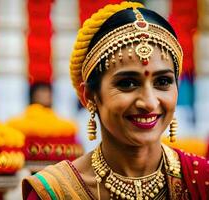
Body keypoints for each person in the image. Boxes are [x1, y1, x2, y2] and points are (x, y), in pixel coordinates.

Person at [22, 2, 209, 200]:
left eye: (163, 81)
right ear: (90, 96)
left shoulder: (201, 180)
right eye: (127, 83)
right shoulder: (56, 192)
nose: (149, 102)